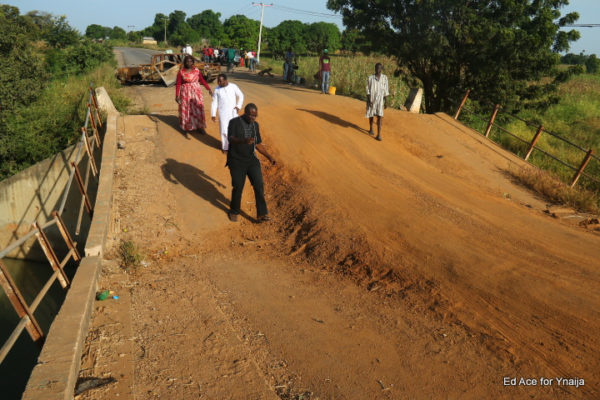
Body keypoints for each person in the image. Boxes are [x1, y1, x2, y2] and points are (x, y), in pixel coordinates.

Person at [226, 103, 276, 223]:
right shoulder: (234, 122)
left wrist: (269, 156)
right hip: (236, 160)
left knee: (259, 184)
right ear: (245, 113)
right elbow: (231, 139)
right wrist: (244, 140)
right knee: (238, 186)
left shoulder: (255, 125)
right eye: (251, 115)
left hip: (251, 160)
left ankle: (262, 213)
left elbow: (257, 143)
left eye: (255, 116)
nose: (253, 118)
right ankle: (234, 210)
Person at [175, 55, 213, 138]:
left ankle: (200, 127)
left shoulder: (196, 70)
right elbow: (178, 84)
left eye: (191, 61)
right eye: (187, 61)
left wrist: (208, 89)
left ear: (193, 62)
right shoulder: (181, 72)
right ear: (185, 62)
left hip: (196, 92)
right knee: (187, 110)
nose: (189, 63)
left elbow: (202, 80)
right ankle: (187, 127)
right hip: (186, 93)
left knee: (198, 109)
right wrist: (177, 95)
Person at [211, 73, 244, 152]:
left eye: (221, 81)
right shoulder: (217, 90)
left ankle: (235, 146)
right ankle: (225, 148)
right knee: (224, 130)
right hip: (223, 113)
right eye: (218, 81)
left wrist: (238, 106)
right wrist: (213, 114)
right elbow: (214, 102)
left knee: (235, 129)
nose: (219, 83)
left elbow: (241, 95)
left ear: (225, 80)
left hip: (233, 112)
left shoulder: (233, 86)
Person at [365, 63, 389, 141]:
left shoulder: (385, 78)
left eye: (379, 68)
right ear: (375, 68)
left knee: (380, 116)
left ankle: (379, 134)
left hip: (380, 100)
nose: (378, 70)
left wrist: (386, 101)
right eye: (376, 68)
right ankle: (371, 128)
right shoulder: (370, 78)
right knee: (371, 114)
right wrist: (369, 100)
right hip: (371, 99)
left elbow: (386, 90)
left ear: (381, 69)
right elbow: (367, 90)